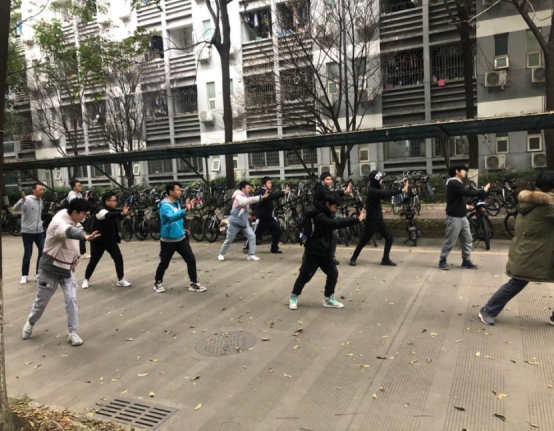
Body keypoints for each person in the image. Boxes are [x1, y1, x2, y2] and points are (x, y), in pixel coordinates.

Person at [21, 199, 100, 346]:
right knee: (41, 302)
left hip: (67, 269)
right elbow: (70, 232)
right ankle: (30, 322)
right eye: (83, 214)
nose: (85, 216)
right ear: (74, 212)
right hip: (49, 269)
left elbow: (72, 242)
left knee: (71, 299)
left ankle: (73, 332)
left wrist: (76, 256)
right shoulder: (58, 222)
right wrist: (86, 236)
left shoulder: (74, 218)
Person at [479, 171, 554, 325]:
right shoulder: (547, 205)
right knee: (517, 283)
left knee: (517, 283)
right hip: (533, 252)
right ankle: (488, 310)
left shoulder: (533, 200)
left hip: (537, 249)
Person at [290, 192, 365, 310]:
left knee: (333, 274)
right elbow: (335, 224)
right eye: (334, 207)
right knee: (305, 276)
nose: (336, 210)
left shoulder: (327, 212)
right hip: (314, 252)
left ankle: (328, 298)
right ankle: (294, 296)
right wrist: (356, 220)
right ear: (327, 204)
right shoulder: (318, 216)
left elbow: (337, 220)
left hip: (325, 252)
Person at [154, 182, 205, 293]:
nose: (180, 192)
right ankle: (157, 282)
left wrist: (182, 229)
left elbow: (179, 218)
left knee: (191, 259)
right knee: (164, 263)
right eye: (178, 190)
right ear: (171, 192)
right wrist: (185, 210)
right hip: (168, 240)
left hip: (181, 238)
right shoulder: (165, 206)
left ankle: (194, 283)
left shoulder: (176, 202)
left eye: (180, 190)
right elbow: (172, 217)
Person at [350, 170, 408, 267]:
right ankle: (353, 258)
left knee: (389, 238)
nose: (382, 180)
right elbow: (386, 194)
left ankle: (385, 259)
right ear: (376, 180)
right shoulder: (373, 191)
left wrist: (379, 210)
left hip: (379, 220)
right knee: (364, 241)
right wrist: (401, 190)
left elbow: (371, 203)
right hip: (372, 221)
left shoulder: (375, 189)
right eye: (380, 179)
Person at [439, 165, 490, 270]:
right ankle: (442, 260)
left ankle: (466, 261)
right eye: (463, 170)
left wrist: (464, 206)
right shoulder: (453, 182)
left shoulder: (458, 183)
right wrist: (483, 191)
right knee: (450, 240)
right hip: (454, 217)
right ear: (457, 171)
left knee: (467, 239)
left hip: (462, 216)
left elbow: (457, 198)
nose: (465, 172)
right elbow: (467, 193)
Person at [82, 192, 131, 289]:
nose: (116, 202)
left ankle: (120, 279)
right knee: (94, 260)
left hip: (110, 240)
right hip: (98, 240)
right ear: (107, 201)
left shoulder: (111, 209)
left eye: (116, 200)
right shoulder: (100, 210)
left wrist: (124, 212)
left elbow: (115, 212)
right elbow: (108, 215)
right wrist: (121, 213)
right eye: (114, 200)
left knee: (118, 258)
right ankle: (86, 279)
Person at [218, 181, 269, 262]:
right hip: (234, 223)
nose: (249, 189)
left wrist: (261, 197)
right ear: (243, 189)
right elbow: (245, 201)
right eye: (248, 188)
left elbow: (248, 200)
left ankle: (251, 255)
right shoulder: (238, 196)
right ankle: (221, 254)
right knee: (229, 240)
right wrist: (260, 197)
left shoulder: (244, 196)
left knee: (252, 236)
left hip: (244, 223)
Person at [314, 171, 352, 265]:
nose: (330, 181)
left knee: (329, 236)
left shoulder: (325, 189)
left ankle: (329, 256)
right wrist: (344, 192)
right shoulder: (320, 189)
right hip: (319, 217)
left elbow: (331, 193)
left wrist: (344, 192)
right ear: (322, 180)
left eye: (330, 179)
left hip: (324, 216)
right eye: (327, 179)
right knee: (323, 236)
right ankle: (311, 257)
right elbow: (331, 194)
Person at [14, 183, 46, 284]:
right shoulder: (27, 200)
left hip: (39, 231)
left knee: (43, 251)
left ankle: (38, 273)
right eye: (40, 189)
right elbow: (15, 208)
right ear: (33, 190)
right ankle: (24, 275)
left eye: (43, 190)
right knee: (28, 253)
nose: (42, 191)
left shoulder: (40, 201)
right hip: (27, 231)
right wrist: (22, 200)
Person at [253, 177, 289, 254]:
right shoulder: (262, 191)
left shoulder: (268, 191)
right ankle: (246, 247)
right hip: (262, 218)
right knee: (255, 234)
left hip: (269, 217)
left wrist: (283, 192)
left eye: (271, 182)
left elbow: (273, 195)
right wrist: (283, 192)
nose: (270, 184)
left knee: (278, 231)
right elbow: (272, 196)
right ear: (264, 184)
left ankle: (274, 248)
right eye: (269, 183)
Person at [68, 180, 90, 259]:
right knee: (81, 234)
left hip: (80, 218)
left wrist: (85, 201)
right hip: (76, 219)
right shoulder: (72, 196)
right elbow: (76, 206)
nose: (81, 187)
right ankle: (82, 252)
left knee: (80, 234)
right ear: (74, 187)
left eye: (81, 185)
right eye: (78, 185)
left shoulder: (79, 194)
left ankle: (80, 252)